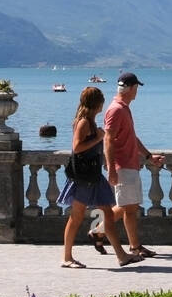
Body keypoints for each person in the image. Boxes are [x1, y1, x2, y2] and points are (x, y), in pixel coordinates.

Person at [59, 87, 143, 268]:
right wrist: (98, 138)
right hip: (84, 178)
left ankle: (121, 255)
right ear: (96, 103)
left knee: (107, 213)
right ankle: (67, 258)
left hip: (93, 177)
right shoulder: (83, 123)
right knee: (76, 217)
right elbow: (77, 147)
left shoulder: (88, 121)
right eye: (101, 101)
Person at [94, 72, 166, 258]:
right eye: (136, 88)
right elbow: (108, 139)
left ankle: (99, 232)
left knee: (129, 206)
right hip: (122, 165)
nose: (137, 92)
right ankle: (134, 247)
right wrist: (111, 168)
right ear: (131, 88)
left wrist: (149, 156)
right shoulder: (116, 109)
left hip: (129, 164)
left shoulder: (123, 108)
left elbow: (131, 137)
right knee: (130, 209)